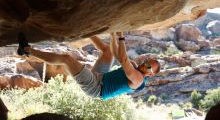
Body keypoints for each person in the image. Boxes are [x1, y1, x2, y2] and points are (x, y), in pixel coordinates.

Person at [17, 32, 160, 100]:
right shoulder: (135, 66)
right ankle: (87, 32)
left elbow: (123, 59)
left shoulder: (138, 80)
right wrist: (112, 37)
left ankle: (27, 50)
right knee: (107, 52)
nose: (145, 65)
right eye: (147, 62)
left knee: (67, 59)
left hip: (96, 88)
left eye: (149, 67)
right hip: (101, 76)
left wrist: (121, 37)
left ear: (151, 74)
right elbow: (116, 54)